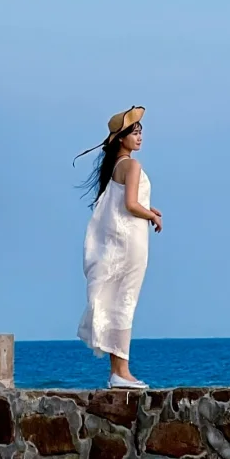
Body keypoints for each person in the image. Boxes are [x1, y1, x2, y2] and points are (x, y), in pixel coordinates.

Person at [76, 105, 163, 389]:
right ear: (121, 138)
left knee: (116, 301)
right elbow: (130, 204)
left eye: (140, 131)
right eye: (134, 132)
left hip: (120, 240)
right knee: (125, 301)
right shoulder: (132, 166)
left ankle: (118, 372)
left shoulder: (117, 167)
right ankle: (121, 371)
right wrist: (151, 214)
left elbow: (125, 202)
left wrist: (147, 208)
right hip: (131, 243)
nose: (139, 137)